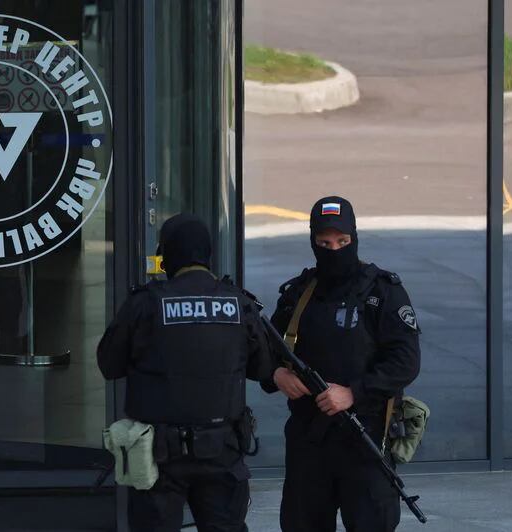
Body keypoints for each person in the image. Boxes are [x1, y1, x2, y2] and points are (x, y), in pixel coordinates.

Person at [97, 213, 274, 532]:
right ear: (207, 255)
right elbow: (263, 368)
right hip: (222, 451)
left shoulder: (145, 304)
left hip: (160, 457)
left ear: (166, 258)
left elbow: (108, 365)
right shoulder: (238, 303)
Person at [261, 196, 421, 532]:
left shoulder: (383, 291)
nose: (333, 250)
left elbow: (405, 361)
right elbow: (264, 350)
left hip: (364, 436)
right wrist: (275, 374)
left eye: (342, 242)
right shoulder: (299, 293)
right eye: (324, 243)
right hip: (309, 442)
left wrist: (353, 393)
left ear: (354, 238)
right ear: (313, 242)